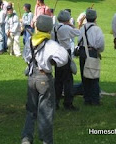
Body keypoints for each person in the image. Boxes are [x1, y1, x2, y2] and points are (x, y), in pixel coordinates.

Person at [21, 15, 68, 144]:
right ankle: (46, 140)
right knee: (46, 111)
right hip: (44, 78)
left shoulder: (30, 40)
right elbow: (64, 58)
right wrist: (52, 61)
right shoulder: (51, 43)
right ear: (49, 29)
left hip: (31, 77)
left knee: (31, 110)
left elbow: (25, 57)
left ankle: (26, 138)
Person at [51, 10, 80, 111]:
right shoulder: (67, 28)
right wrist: (71, 25)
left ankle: (55, 102)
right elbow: (78, 32)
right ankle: (68, 103)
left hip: (56, 53)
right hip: (65, 53)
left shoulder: (54, 27)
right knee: (68, 80)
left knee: (58, 80)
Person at [78, 9, 105, 105]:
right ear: (95, 18)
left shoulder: (82, 28)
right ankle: (94, 99)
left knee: (84, 75)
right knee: (94, 76)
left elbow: (79, 40)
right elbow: (101, 44)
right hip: (92, 52)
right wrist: (99, 51)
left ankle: (87, 98)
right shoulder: (97, 29)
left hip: (82, 52)